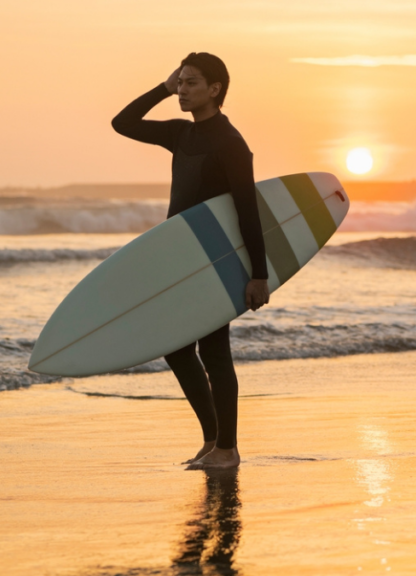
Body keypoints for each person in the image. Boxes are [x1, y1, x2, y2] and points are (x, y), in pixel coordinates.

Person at [112, 52, 269, 470]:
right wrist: (161, 88)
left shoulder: (232, 144)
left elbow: (247, 211)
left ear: (215, 89)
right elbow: (122, 123)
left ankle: (227, 449)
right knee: (177, 348)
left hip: (214, 259)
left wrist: (258, 274)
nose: (182, 90)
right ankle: (213, 439)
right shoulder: (182, 134)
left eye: (190, 83)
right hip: (180, 257)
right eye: (179, 83)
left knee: (214, 351)